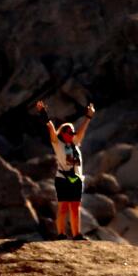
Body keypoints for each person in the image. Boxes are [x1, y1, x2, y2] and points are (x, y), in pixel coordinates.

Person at [35, 99, 95, 238]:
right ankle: (61, 234)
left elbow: (82, 130)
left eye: (73, 132)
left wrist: (88, 116)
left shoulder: (74, 142)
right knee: (63, 207)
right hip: (63, 178)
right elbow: (50, 127)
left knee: (75, 207)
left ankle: (77, 234)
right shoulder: (58, 143)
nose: (72, 134)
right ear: (62, 133)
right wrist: (43, 112)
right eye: (69, 131)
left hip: (76, 178)